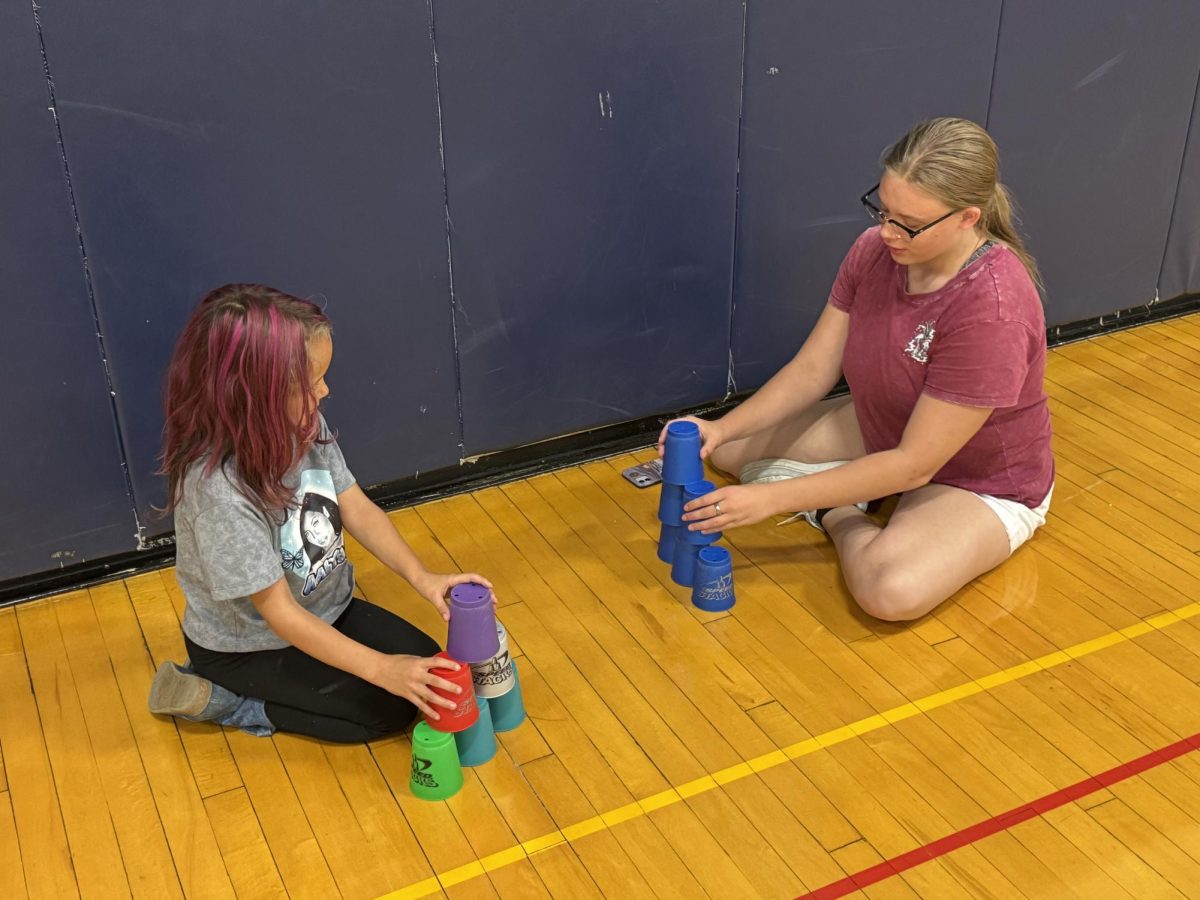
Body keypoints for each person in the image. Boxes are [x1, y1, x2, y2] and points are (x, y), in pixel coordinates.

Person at [668, 117, 1053, 622]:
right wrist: (719, 427)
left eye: (908, 223)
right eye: (883, 209)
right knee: (735, 450)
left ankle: (837, 513)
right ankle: (856, 488)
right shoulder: (875, 250)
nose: (887, 232)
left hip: (976, 478)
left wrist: (773, 499)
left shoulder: (993, 309)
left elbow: (917, 464)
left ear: (967, 218)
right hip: (887, 427)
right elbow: (812, 369)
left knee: (889, 591)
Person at [148, 283, 494, 742]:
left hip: (326, 607)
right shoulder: (218, 494)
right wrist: (381, 669)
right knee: (384, 711)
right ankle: (226, 700)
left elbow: (355, 505)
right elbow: (281, 615)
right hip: (247, 647)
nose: (325, 390)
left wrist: (422, 576)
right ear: (255, 395)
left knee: (423, 668)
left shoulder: (300, 420)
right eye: (312, 382)